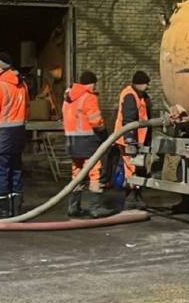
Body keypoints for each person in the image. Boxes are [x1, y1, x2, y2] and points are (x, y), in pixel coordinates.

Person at [0, 52, 29, 219]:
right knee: (15, 171)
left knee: (0, 173)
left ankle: (1, 211)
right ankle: (16, 210)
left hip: (0, 136)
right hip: (18, 135)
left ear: (0, 67)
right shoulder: (21, 85)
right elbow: (26, 109)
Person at [63, 71, 114, 219]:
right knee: (95, 173)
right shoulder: (89, 97)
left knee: (77, 174)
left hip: (72, 142)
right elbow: (96, 121)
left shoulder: (68, 98)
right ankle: (95, 208)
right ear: (91, 83)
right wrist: (104, 134)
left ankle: (73, 207)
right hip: (88, 141)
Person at [114, 70, 153, 210]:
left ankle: (136, 196)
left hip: (138, 139)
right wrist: (130, 140)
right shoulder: (130, 95)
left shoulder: (141, 96)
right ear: (139, 84)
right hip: (128, 139)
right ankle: (130, 198)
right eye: (146, 84)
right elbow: (129, 119)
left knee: (138, 168)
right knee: (131, 168)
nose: (148, 86)